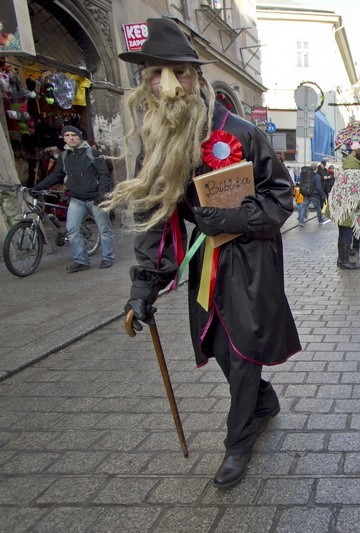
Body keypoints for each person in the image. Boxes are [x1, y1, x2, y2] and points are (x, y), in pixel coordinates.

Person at [109, 17, 301, 489]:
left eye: (179, 73)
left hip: (251, 259)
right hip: (203, 262)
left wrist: (235, 219)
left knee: (243, 353)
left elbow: (281, 197)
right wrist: (143, 287)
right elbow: (158, 218)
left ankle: (238, 442)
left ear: (195, 78)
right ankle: (262, 399)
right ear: (146, 83)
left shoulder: (240, 131)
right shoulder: (157, 143)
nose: (168, 85)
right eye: (156, 74)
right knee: (217, 346)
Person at [32, 125, 115, 272]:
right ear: (64, 138)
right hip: (77, 199)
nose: (71, 138)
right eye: (67, 135)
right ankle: (81, 260)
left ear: (80, 137)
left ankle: (107, 257)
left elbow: (104, 174)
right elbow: (56, 175)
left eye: (74, 135)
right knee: (72, 230)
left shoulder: (93, 153)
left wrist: (102, 193)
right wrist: (38, 187)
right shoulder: (65, 156)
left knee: (104, 229)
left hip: (95, 197)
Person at [327, 144, 360, 269]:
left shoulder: (347, 169)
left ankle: (341, 259)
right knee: (346, 235)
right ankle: (344, 261)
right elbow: (356, 198)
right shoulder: (357, 173)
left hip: (340, 207)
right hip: (347, 209)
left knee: (342, 234)